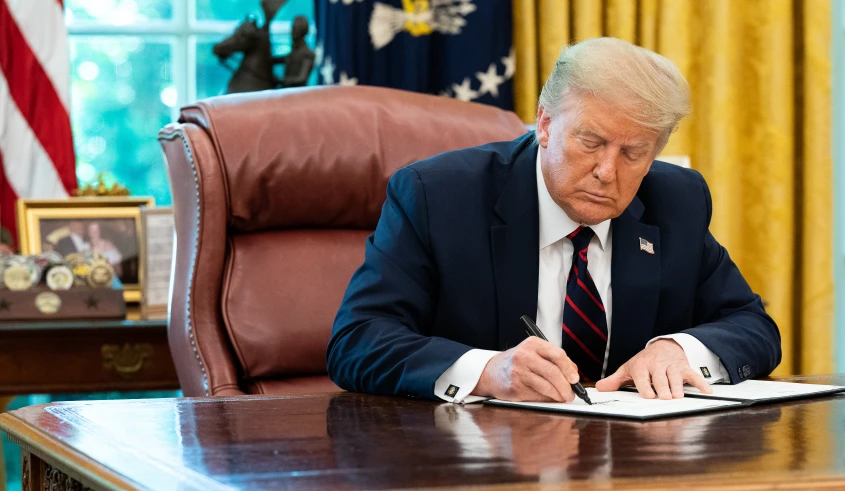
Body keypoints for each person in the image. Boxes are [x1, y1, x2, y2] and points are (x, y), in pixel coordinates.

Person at [327, 37, 781, 404]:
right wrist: (487, 371)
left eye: (633, 153)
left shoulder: (676, 201)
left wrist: (679, 349)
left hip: (632, 471)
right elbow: (358, 340)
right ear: (544, 125)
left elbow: (754, 327)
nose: (607, 171)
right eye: (590, 142)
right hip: (476, 470)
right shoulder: (438, 197)